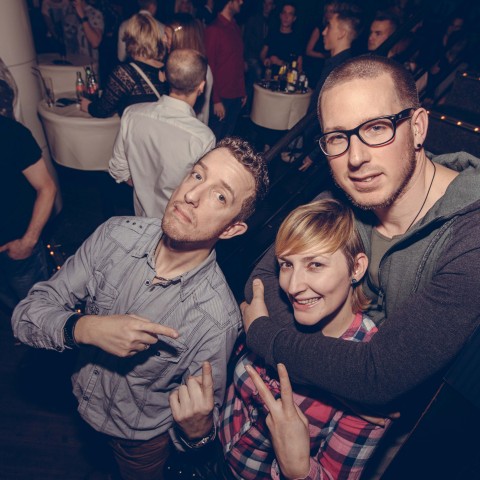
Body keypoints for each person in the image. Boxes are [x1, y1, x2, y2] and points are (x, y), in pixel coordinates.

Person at [12, 137, 269, 480]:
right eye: (197, 175)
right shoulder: (114, 236)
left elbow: (200, 422)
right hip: (78, 400)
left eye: (220, 196)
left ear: (232, 228)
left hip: (138, 442)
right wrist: (85, 327)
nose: (192, 195)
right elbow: (25, 316)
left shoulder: (216, 320)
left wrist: (198, 432)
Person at [241, 54, 480, 409]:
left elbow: (378, 374)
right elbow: (261, 281)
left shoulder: (470, 238)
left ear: (417, 128)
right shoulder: (343, 200)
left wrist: (263, 335)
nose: (355, 158)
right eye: (338, 137)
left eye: (376, 128)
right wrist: (342, 384)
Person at [219, 199, 392, 479]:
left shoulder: (368, 371)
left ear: (357, 268)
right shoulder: (271, 314)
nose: (293, 286)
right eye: (286, 264)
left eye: (315, 264)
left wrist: (298, 469)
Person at [109, 48, 215, 219]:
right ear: (202, 86)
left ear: (164, 76)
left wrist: (144, 187)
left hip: (141, 217)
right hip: (177, 220)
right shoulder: (204, 137)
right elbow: (200, 192)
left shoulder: (132, 114)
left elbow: (118, 168)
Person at [0, 80, 57, 312]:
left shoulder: (12, 134)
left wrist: (28, 242)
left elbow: (47, 188)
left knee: (37, 308)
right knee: (9, 306)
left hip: (16, 249)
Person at [298, 1, 363, 171]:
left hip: (321, 151)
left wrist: (314, 154)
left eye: (329, 27)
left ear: (341, 33)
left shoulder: (341, 70)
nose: (324, 32)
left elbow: (338, 120)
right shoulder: (333, 64)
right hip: (316, 144)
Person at [81, 12, 168, 118]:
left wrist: (87, 106)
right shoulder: (167, 69)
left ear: (129, 39)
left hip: (136, 129)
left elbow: (102, 110)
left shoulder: (125, 73)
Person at [205, 0, 246, 141]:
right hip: (221, 97)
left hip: (235, 96)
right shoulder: (214, 29)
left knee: (226, 140)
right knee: (214, 140)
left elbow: (238, 62)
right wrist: (216, 100)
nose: (241, 2)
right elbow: (209, 66)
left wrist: (242, 91)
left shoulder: (235, 26)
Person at [163, 13, 213, 124]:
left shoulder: (201, 70)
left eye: (167, 36)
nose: (163, 39)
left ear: (180, 39)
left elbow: (203, 112)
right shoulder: (167, 61)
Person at [260, 2, 303, 75]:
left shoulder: (297, 39)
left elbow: (299, 68)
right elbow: (262, 54)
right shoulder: (272, 33)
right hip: (269, 76)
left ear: (294, 18)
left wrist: (280, 62)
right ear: (280, 15)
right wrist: (265, 60)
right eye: (284, 13)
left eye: (290, 14)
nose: (286, 17)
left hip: (286, 79)